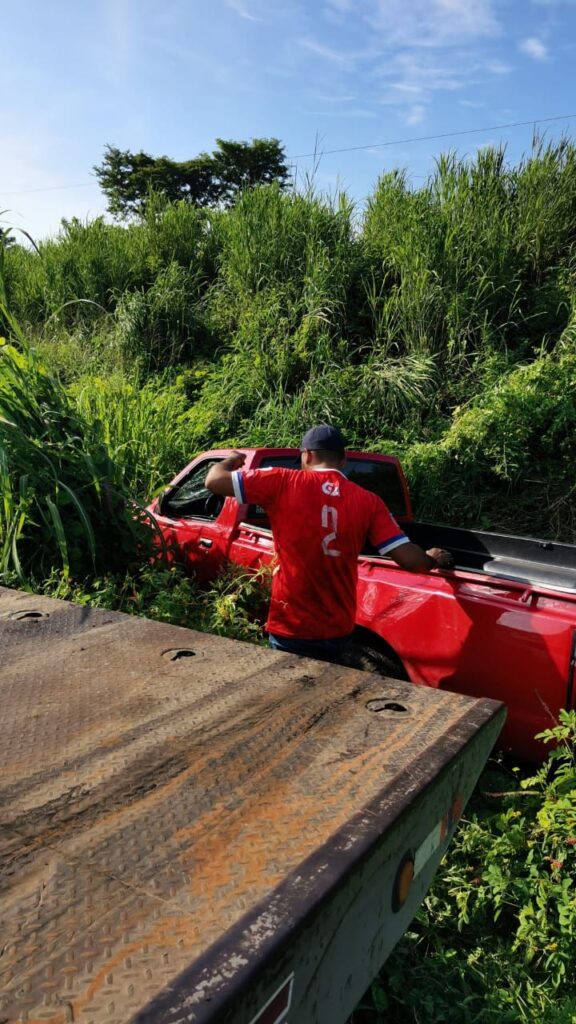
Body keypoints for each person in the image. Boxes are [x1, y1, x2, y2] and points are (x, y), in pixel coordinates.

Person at [205, 424, 453, 663]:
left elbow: (214, 480)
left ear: (307, 455)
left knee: (288, 697)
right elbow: (410, 560)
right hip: (338, 630)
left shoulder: (283, 481)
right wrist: (431, 558)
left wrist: (232, 459)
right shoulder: (369, 501)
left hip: (292, 626)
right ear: (343, 460)